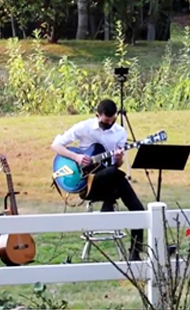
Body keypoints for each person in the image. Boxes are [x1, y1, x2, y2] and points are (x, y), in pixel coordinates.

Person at [51, 99, 145, 261]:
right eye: (105, 121)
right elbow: (56, 145)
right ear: (97, 115)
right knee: (115, 174)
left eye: (112, 121)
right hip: (87, 183)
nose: (109, 124)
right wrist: (77, 157)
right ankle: (108, 203)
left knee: (137, 207)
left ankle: (135, 252)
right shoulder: (84, 127)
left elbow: (117, 164)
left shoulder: (120, 132)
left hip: (110, 180)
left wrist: (118, 159)